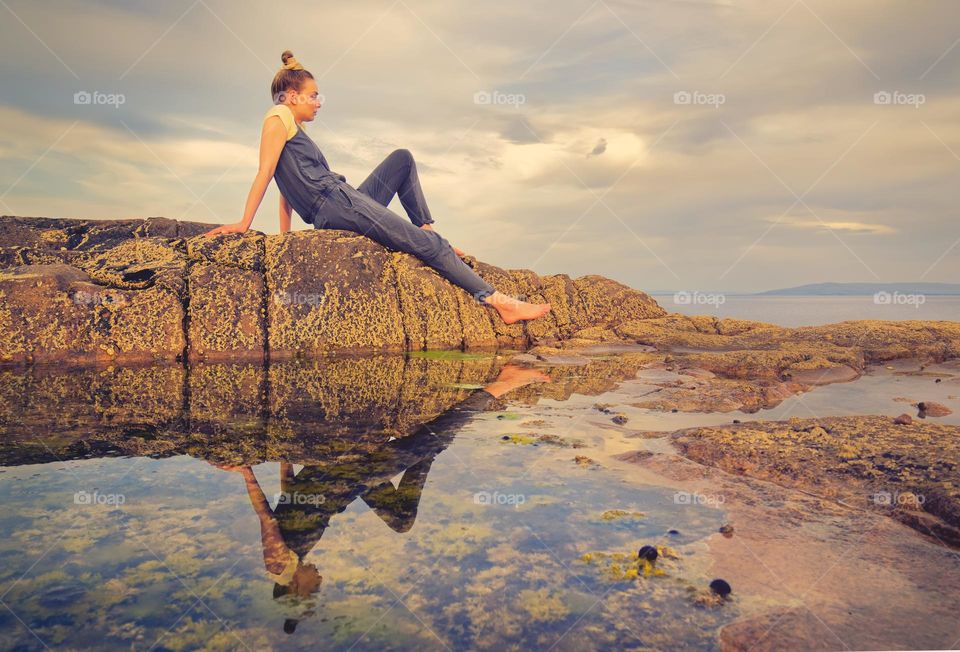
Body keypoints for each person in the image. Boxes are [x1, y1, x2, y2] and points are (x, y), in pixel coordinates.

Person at [204, 50, 552, 325]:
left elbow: (284, 190)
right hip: (337, 204)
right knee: (429, 246)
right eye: (313, 95)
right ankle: (501, 303)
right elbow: (265, 172)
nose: (318, 102)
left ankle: (426, 228)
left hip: (343, 200)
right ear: (291, 96)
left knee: (402, 159)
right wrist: (244, 223)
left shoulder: (291, 129)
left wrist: (286, 240)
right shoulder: (277, 116)